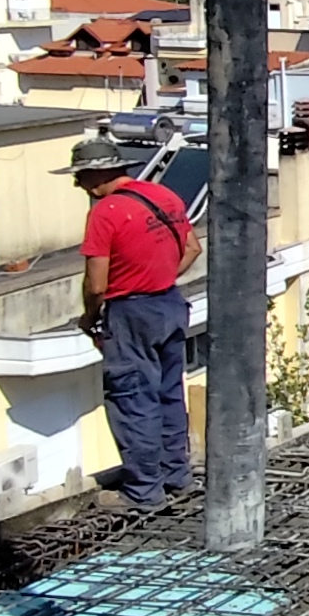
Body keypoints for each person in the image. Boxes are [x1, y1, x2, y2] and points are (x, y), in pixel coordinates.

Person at [73, 132, 201, 508]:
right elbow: (193, 248)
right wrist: (158, 277)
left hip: (131, 312)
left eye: (80, 177)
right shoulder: (164, 196)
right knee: (168, 392)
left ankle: (144, 491)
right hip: (170, 304)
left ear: (96, 176)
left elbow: (97, 285)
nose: (78, 185)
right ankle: (177, 476)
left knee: (132, 397)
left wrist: (89, 319)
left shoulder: (105, 213)